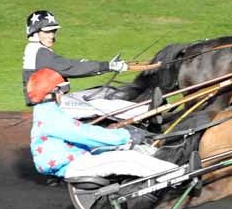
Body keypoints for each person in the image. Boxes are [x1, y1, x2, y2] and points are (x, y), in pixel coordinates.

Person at [26, 67, 181, 180]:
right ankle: (177, 175)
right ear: (50, 93)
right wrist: (126, 135)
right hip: (71, 165)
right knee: (129, 159)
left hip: (75, 157)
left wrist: (125, 139)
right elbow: (86, 134)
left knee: (129, 150)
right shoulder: (51, 116)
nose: (62, 95)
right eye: (60, 91)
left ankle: (165, 160)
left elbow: (84, 131)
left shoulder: (49, 112)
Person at [22, 10, 129, 106]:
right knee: (108, 101)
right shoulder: (40, 52)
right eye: (47, 32)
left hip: (51, 101)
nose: (52, 36)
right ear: (35, 33)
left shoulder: (36, 49)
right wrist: (107, 66)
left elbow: (68, 64)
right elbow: (71, 68)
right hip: (50, 104)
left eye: (53, 31)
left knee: (104, 93)